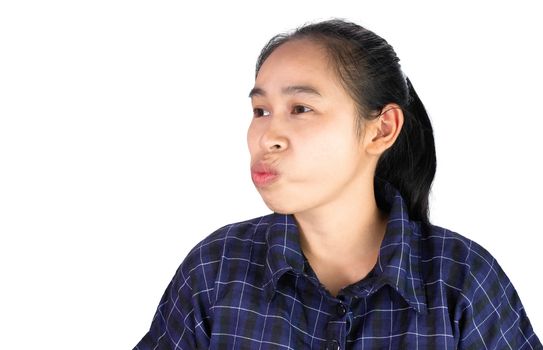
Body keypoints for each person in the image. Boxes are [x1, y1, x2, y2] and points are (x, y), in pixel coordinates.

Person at [133, 18, 542, 349]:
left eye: (301, 108)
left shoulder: (461, 280)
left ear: (381, 129)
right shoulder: (216, 269)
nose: (267, 135)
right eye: (260, 110)